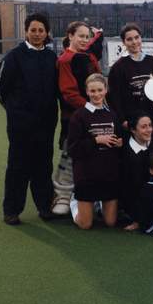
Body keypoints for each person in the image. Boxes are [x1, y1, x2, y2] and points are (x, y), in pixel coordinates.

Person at [0, 13, 59, 225]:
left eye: (41, 30)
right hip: (21, 126)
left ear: (47, 32)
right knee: (18, 167)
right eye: (33, 30)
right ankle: (12, 210)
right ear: (26, 31)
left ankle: (45, 206)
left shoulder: (51, 57)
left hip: (46, 124)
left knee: (43, 166)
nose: (37, 34)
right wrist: (14, 110)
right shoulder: (14, 56)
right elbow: (0, 85)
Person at [52, 21, 103, 215]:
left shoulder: (89, 56)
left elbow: (98, 81)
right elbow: (68, 92)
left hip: (95, 115)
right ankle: (63, 195)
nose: (84, 39)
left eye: (87, 36)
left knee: (95, 152)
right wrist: (90, 107)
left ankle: (95, 194)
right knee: (70, 153)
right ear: (70, 36)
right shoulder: (65, 60)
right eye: (80, 36)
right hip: (73, 117)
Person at [68, 73, 123, 229]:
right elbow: (73, 149)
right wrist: (96, 140)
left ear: (106, 90)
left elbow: (118, 139)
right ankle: (74, 202)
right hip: (87, 175)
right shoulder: (78, 116)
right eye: (92, 91)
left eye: (100, 90)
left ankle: (98, 204)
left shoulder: (112, 115)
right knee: (85, 225)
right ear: (86, 92)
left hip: (108, 173)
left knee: (110, 223)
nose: (97, 94)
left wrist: (119, 143)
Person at [107, 22, 153, 148]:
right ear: (123, 42)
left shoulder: (152, 61)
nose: (134, 42)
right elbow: (113, 98)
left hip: (151, 118)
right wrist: (123, 121)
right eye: (129, 39)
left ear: (141, 38)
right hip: (131, 121)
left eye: (136, 37)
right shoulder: (118, 67)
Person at [119, 112, 153, 231]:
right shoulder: (128, 155)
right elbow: (131, 191)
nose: (149, 130)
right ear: (133, 130)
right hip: (129, 194)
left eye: (150, 125)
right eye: (143, 127)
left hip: (149, 191)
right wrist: (138, 220)